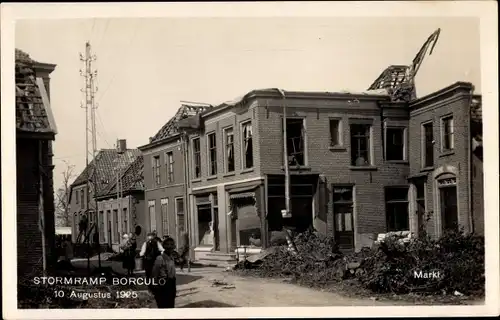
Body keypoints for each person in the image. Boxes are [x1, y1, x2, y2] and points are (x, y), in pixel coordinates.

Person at [151, 237, 177, 308]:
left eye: (171, 244)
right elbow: (154, 273)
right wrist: (155, 287)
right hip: (163, 285)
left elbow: (172, 272)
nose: (169, 246)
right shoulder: (160, 258)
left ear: (174, 246)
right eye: (167, 244)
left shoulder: (172, 257)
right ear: (164, 246)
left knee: (171, 306)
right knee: (163, 306)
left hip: (171, 284)